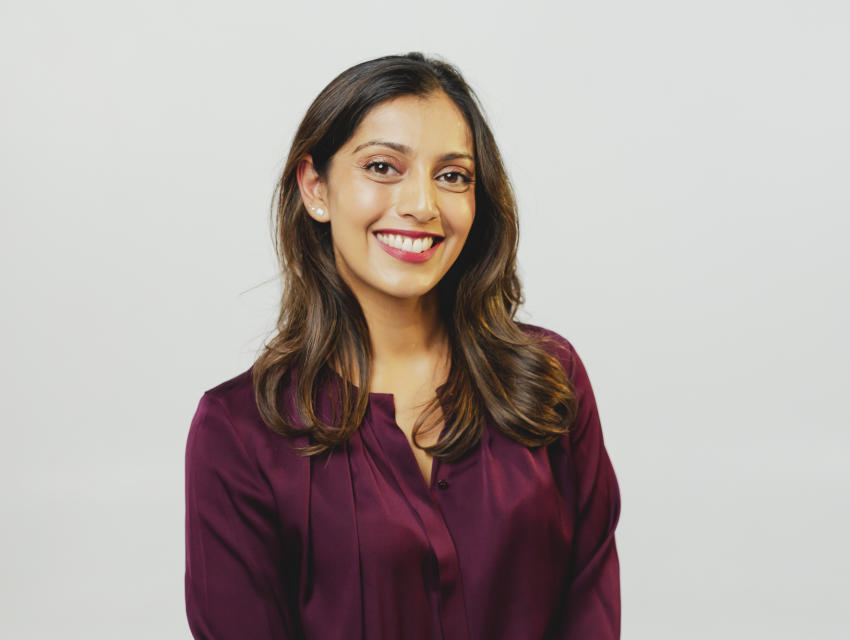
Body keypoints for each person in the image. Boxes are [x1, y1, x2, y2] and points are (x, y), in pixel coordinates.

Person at [184, 52, 621, 639]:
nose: (422, 204)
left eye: (452, 176)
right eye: (384, 167)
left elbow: (589, 609)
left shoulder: (546, 378)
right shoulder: (238, 432)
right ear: (316, 187)